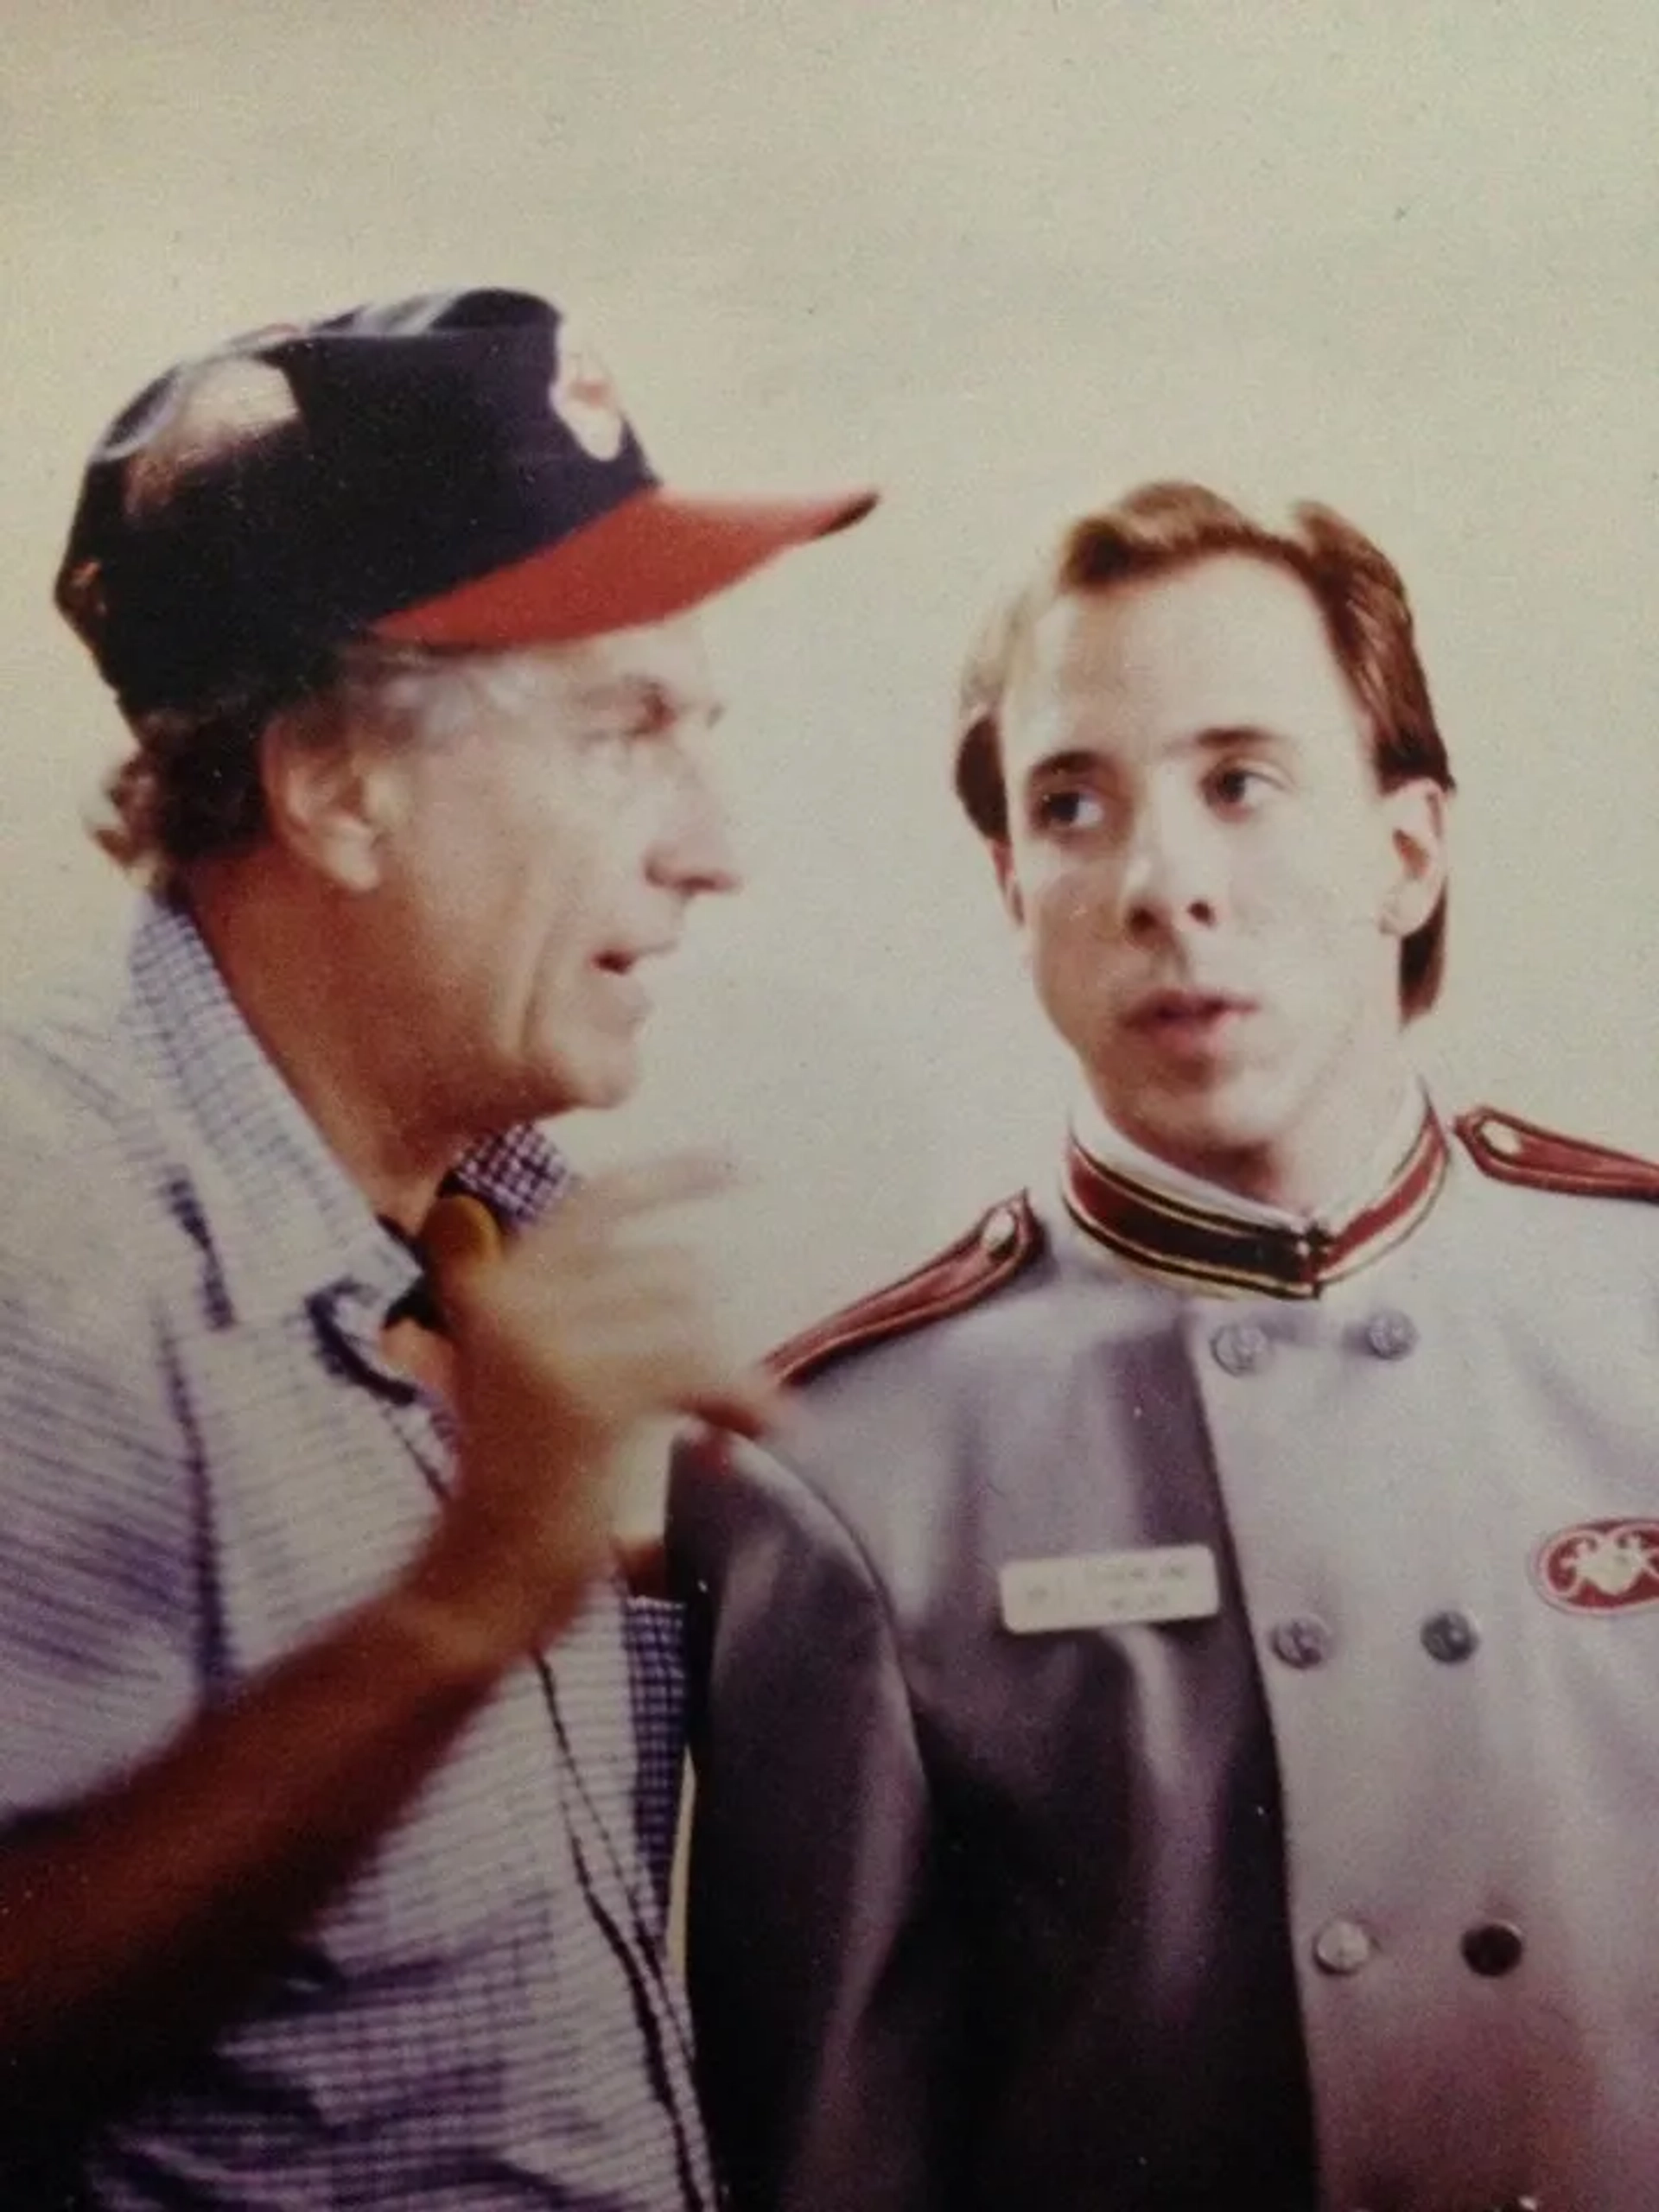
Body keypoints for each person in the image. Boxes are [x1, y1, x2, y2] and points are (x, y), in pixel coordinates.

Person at [671, 480, 1659, 2212]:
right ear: (1009, 883)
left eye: (1241, 782)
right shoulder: (839, 1463)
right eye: (1074, 803)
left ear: (1407, 850)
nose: (1163, 882)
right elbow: (836, 2156)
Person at [0, 283, 873, 2208]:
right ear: (332, 781)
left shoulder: (476, 1229)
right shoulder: (41, 1237)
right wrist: (465, 1601)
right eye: (624, 729)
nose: (713, 841)